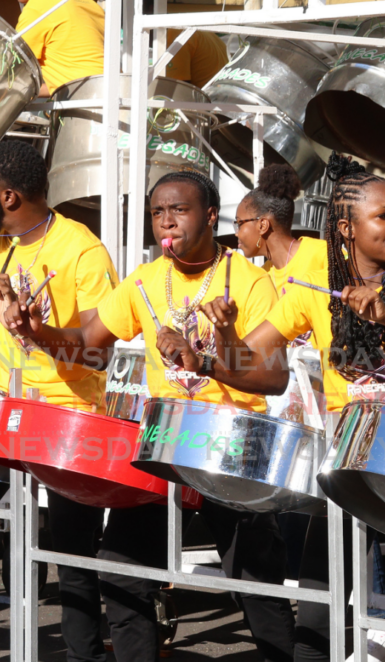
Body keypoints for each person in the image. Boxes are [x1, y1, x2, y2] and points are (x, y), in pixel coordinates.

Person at [3, 170, 298, 662]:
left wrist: (204, 359)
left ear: (209, 215)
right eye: (158, 212)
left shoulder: (250, 282)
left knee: (253, 585)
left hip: (229, 448)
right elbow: (90, 350)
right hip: (166, 448)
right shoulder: (144, 281)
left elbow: (273, 377)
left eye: (178, 210)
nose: (166, 221)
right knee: (121, 568)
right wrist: (41, 333)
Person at [202, 155, 385, 662]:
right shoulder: (316, 290)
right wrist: (222, 335)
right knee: (318, 606)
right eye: (384, 216)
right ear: (347, 229)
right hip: (349, 460)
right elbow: (247, 357)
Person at [0, 140, 116, 662]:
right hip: (9, 411)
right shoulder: (4, 245)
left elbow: (98, 355)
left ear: (7, 195)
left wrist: (39, 331)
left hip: (68, 421)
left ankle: (84, 654)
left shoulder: (82, 249)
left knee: (73, 558)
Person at [234, 163, 327, 296]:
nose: (236, 233)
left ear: (263, 226)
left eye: (239, 223)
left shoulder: (323, 254)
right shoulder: (261, 279)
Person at [16, 0, 104, 96]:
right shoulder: (91, 5)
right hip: (113, 93)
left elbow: (9, 68)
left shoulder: (38, 7)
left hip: (85, 99)